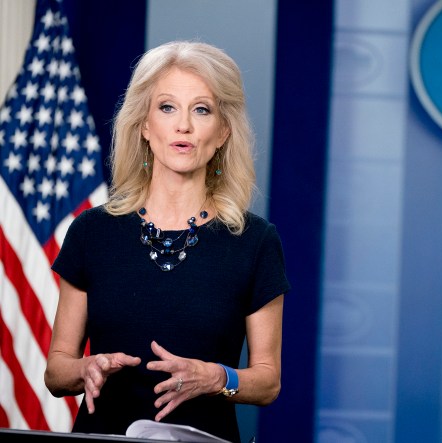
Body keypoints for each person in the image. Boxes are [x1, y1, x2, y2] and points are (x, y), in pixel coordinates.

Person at [44, 40, 290, 443]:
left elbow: (268, 382)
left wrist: (217, 377)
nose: (184, 126)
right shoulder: (92, 231)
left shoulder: (256, 241)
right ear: (143, 124)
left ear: (223, 131)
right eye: (167, 107)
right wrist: (84, 369)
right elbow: (57, 371)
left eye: (202, 110)